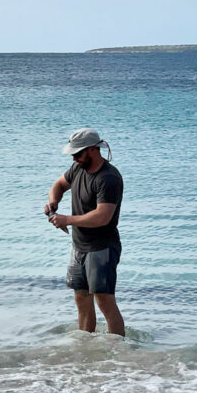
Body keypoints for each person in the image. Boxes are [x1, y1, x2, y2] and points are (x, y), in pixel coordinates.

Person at [45, 128, 125, 336]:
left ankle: (119, 353)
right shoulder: (77, 168)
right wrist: (53, 201)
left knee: (104, 301)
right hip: (78, 246)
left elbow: (102, 216)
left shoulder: (108, 178)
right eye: (72, 154)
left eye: (78, 153)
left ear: (92, 150)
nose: (74, 157)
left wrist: (67, 220)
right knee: (81, 296)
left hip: (102, 248)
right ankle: (85, 347)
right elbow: (59, 185)